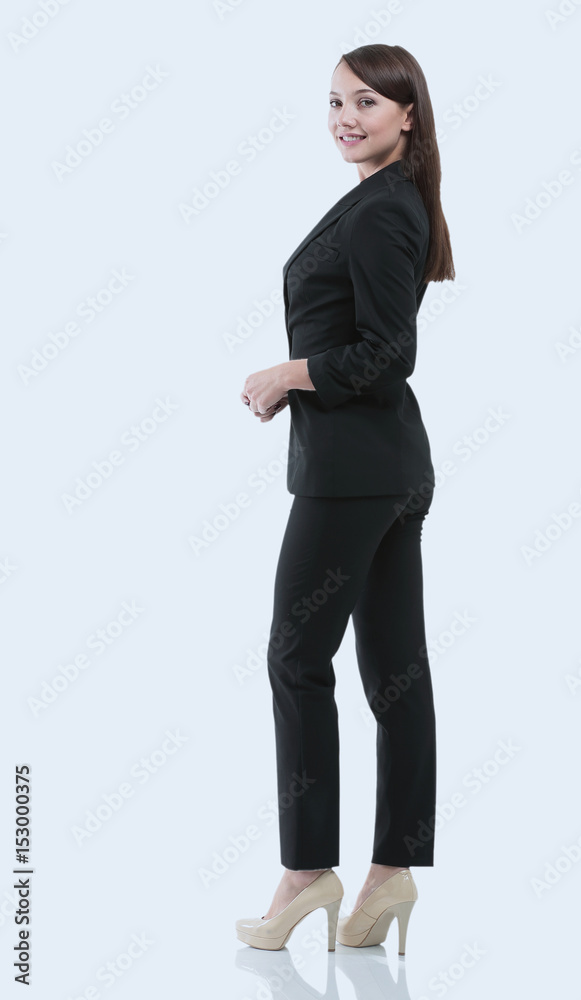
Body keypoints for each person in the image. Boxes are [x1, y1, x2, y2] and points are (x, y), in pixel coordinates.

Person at [236, 43, 455, 954]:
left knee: (296, 660)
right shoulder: (389, 199)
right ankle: (389, 876)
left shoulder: (382, 210)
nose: (345, 117)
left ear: (407, 113)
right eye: (334, 102)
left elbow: (385, 353)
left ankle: (305, 871)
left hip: (353, 477)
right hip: (385, 471)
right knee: (393, 672)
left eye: (367, 102)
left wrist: (289, 373)